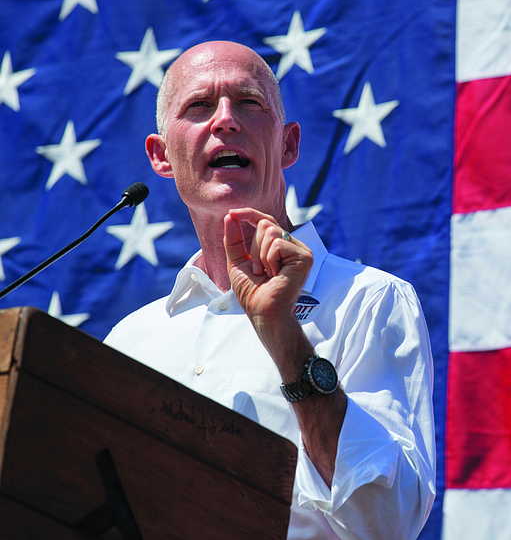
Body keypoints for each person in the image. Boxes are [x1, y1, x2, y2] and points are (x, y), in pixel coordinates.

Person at [104, 41, 436, 539]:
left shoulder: (370, 301)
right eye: (198, 106)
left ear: (288, 145)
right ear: (161, 156)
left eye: (249, 103)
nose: (225, 120)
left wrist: (285, 337)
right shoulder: (131, 340)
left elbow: (386, 521)